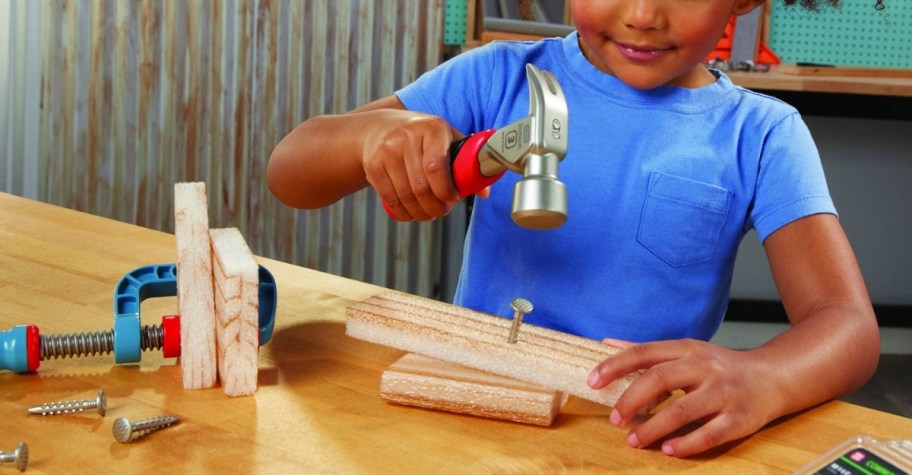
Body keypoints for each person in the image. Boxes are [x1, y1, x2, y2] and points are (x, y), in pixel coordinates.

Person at [267, 0, 878, 458]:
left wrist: (765, 377)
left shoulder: (762, 134)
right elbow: (290, 172)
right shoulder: (495, 78)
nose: (641, 15)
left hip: (629, 438)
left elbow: (846, 326)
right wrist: (373, 137)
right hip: (465, 413)